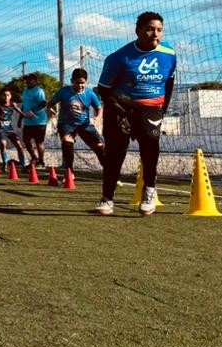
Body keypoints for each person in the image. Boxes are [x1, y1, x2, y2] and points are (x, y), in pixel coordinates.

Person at [94, 11, 177, 216]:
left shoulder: (169, 54)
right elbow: (103, 89)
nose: (155, 34)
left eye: (159, 30)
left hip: (151, 108)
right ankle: (107, 199)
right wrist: (119, 111)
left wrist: (163, 109)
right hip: (119, 108)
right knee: (115, 154)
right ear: (138, 30)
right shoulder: (118, 57)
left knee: (150, 145)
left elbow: (169, 82)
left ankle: (149, 192)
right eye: (150, 29)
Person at [47, 69, 105, 176]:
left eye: (82, 83)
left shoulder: (90, 93)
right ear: (72, 81)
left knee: (99, 145)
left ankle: (109, 171)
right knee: (67, 141)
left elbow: (99, 108)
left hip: (84, 124)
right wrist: (50, 111)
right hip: (66, 124)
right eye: (77, 82)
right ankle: (69, 172)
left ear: (86, 82)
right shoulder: (64, 91)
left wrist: (98, 118)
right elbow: (50, 104)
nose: (80, 85)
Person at [0, 89, 27, 170]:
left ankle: (23, 165)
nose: (6, 97)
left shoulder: (12, 104)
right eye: (4, 95)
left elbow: (21, 112)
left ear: (10, 96)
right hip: (0, 128)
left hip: (9, 128)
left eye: (8, 95)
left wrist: (26, 115)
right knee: (3, 143)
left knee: (19, 145)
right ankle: (5, 163)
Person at [19, 73, 49, 168]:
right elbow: (24, 105)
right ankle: (34, 157)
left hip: (39, 121)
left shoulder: (38, 91)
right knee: (25, 140)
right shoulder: (25, 91)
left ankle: (41, 162)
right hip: (28, 122)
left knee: (39, 142)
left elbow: (43, 103)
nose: (28, 82)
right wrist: (20, 118)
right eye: (27, 80)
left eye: (30, 80)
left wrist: (33, 111)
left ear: (35, 81)